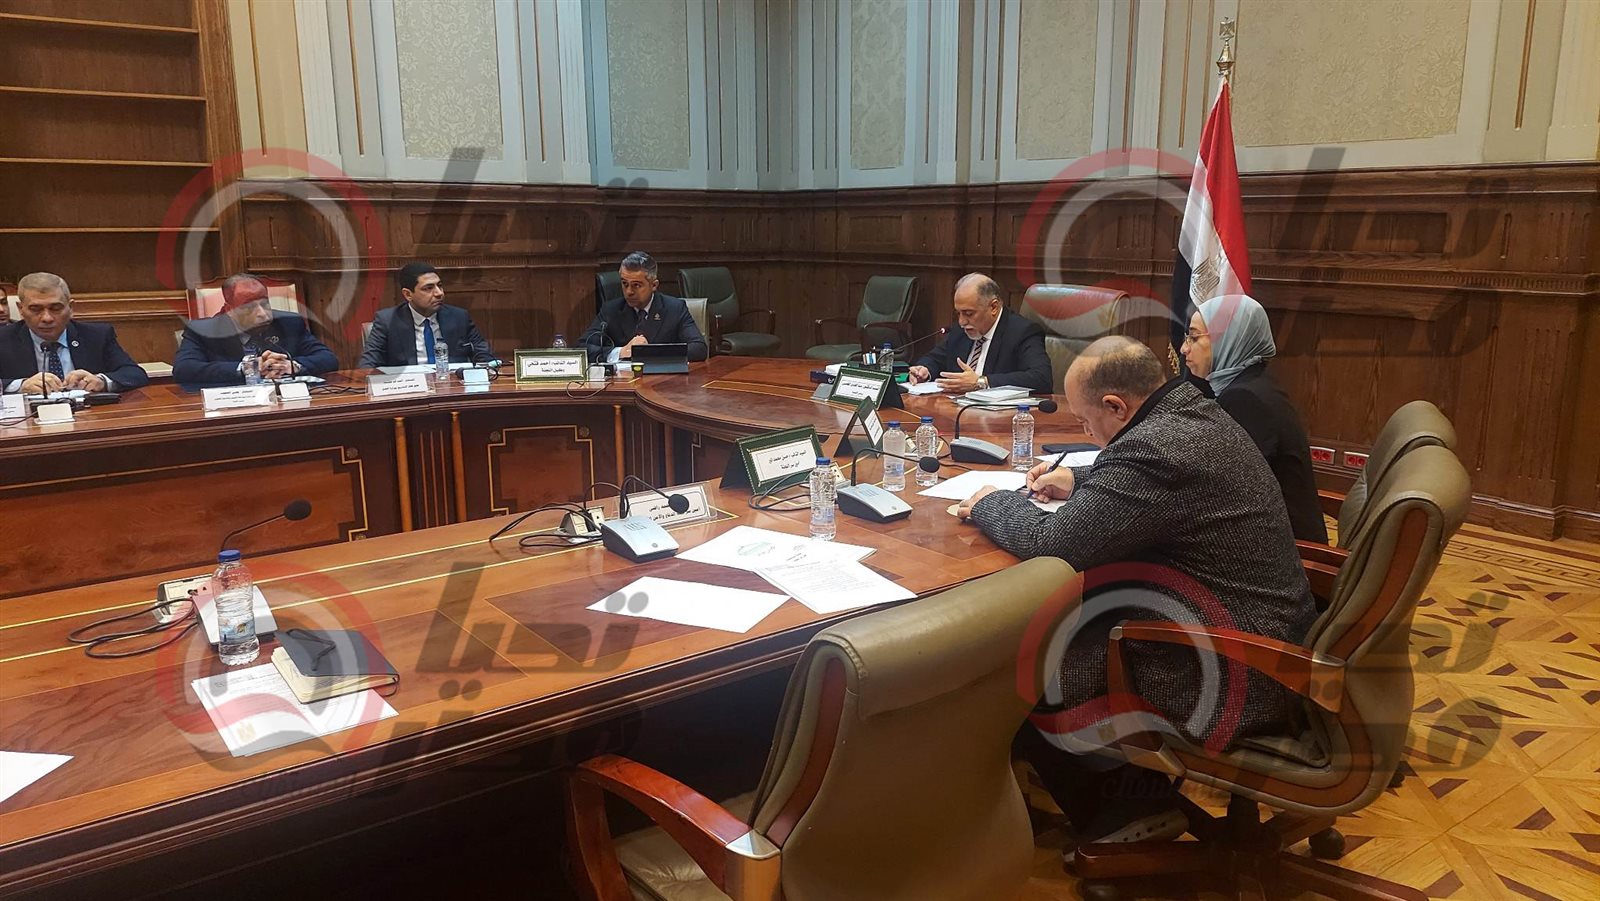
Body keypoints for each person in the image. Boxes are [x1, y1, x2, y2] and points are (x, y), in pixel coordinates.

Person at [956, 336, 1316, 847]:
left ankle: (1120, 809)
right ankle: (1114, 791)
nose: (1086, 432)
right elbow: (1146, 484)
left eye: (1085, 422)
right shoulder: (1191, 410)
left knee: (1016, 662)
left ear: (1115, 406)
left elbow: (1051, 545)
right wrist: (1080, 479)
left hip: (1232, 670)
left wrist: (990, 503)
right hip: (1267, 638)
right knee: (1055, 629)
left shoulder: (1157, 449)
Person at [1182, 295, 1328, 543]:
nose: (1184, 348)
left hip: (1286, 550)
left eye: (1194, 338)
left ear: (1228, 339)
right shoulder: (1253, 384)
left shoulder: (1245, 399)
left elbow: (1228, 490)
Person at [174, 274, 338, 387]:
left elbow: (328, 358)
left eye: (265, 304)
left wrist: (292, 365)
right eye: (249, 307)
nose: (263, 314)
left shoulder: (289, 323)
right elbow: (184, 369)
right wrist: (247, 368)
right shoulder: (202, 330)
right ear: (229, 310)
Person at [1, 272, 148, 394]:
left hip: (89, 416)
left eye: (56, 308)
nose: (47, 318)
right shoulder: (3, 339)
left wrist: (101, 381)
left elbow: (135, 374)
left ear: (71, 307)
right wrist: (21, 385)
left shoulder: (97, 335)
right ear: (20, 309)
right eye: (36, 309)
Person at [909, 273, 1051, 393]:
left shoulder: (1022, 332)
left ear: (994, 307)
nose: (961, 321)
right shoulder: (962, 330)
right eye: (958, 313)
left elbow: (1041, 378)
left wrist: (981, 381)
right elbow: (935, 359)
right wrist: (924, 370)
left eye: (969, 313)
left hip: (1000, 414)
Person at [580, 251, 709, 364]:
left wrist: (649, 353)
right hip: (624, 380)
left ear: (654, 285)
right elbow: (581, 348)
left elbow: (699, 349)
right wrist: (620, 352)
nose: (629, 291)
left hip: (663, 380)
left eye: (636, 285)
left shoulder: (674, 308)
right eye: (625, 284)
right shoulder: (611, 310)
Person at [359, 262, 491, 368]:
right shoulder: (387, 321)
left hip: (452, 386)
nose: (439, 293)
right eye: (428, 288)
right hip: (409, 389)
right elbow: (368, 365)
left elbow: (484, 356)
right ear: (408, 294)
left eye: (439, 286)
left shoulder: (459, 317)